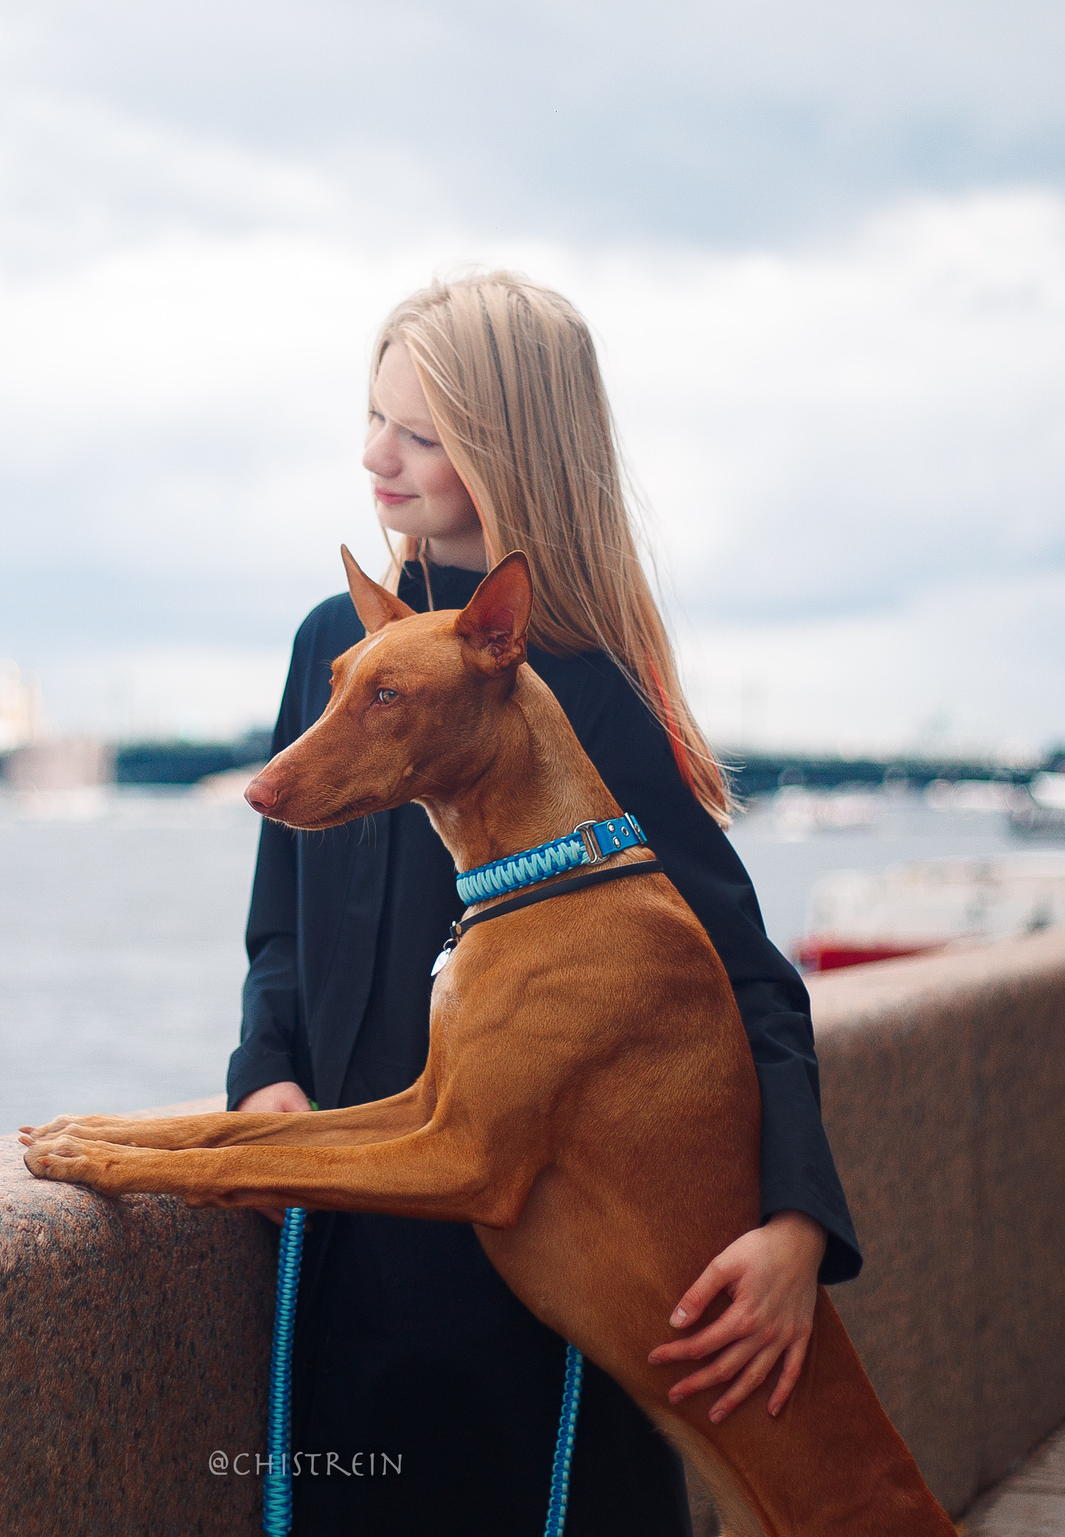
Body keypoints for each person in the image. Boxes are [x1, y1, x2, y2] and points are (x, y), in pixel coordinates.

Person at [225, 272, 861, 1535]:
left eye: (420, 434)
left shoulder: (585, 687)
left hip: (536, 1312)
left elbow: (742, 972)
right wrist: (265, 1074)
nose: (374, 457)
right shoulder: (331, 645)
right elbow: (279, 925)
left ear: (509, 450)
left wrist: (796, 1224)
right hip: (345, 1261)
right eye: (372, 418)